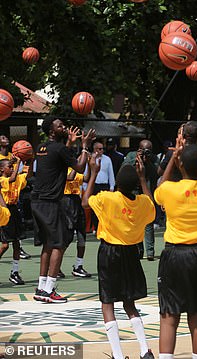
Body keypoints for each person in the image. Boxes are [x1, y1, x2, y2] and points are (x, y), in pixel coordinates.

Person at [82, 155, 155, 359]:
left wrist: (94, 173)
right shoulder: (142, 203)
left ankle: (118, 354)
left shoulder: (107, 198)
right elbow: (152, 206)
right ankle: (144, 350)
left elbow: (86, 201)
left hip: (110, 252)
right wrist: (143, 179)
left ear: (117, 184)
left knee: (108, 303)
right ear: (136, 186)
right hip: (132, 252)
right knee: (129, 303)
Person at [154, 142, 197, 359]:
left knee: (169, 316)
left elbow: (160, 188)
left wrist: (173, 158)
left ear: (180, 165)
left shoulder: (168, 189)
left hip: (176, 254)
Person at [31, 118, 95, 303]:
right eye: (60, 126)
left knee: (48, 244)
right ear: (51, 131)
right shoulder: (59, 149)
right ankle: (49, 289)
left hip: (37, 202)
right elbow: (80, 167)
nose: (64, 127)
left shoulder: (41, 148)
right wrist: (84, 146)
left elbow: (60, 157)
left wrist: (69, 143)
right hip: (50, 203)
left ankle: (41, 287)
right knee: (59, 244)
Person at [123, 140, 160, 260]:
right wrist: (137, 160)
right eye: (144, 150)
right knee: (135, 222)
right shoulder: (131, 156)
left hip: (146, 187)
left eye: (149, 151)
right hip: (133, 189)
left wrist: (147, 161)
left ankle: (150, 252)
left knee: (148, 220)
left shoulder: (154, 160)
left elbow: (155, 174)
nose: (146, 153)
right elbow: (124, 170)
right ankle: (138, 250)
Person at [0, 157, 32, 285]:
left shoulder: (17, 178)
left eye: (12, 166)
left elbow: (26, 175)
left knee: (17, 243)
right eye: (10, 166)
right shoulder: (2, 180)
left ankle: (15, 272)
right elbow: (12, 178)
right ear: (2, 169)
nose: (12, 168)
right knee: (5, 245)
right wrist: (17, 162)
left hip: (14, 211)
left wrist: (29, 160)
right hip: (3, 211)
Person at [61, 167, 91, 278]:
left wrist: (89, 163)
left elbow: (86, 178)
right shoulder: (61, 169)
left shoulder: (76, 170)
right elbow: (70, 178)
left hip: (76, 200)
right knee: (67, 237)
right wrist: (76, 166)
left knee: (82, 234)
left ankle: (78, 266)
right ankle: (56, 265)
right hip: (66, 201)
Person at [89, 141, 115, 232]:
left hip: (105, 186)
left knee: (106, 208)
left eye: (102, 149)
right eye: (99, 149)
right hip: (94, 185)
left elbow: (111, 173)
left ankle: (105, 227)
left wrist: (112, 186)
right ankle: (96, 227)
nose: (101, 151)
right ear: (94, 149)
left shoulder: (107, 159)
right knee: (95, 207)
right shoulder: (90, 159)